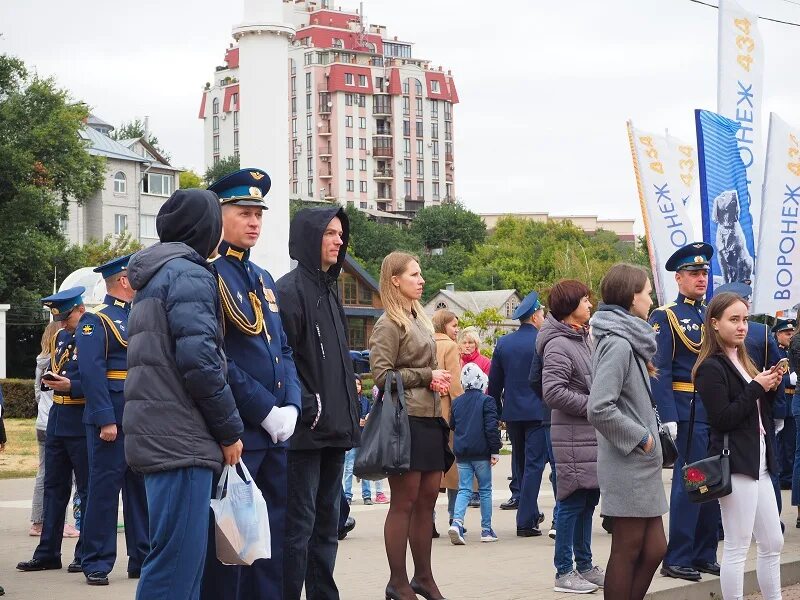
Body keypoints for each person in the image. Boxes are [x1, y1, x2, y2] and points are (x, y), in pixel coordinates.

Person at [123, 188, 244, 600]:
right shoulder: (189, 274)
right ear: (206, 229)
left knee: (178, 567)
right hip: (181, 440)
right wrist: (229, 431)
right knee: (175, 570)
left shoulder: (157, 274)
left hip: (163, 437)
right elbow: (201, 363)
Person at [199, 169, 301, 600]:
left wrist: (291, 406)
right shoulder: (210, 274)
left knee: (272, 542)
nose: (254, 221)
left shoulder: (261, 276)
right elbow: (218, 359)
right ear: (219, 214)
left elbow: (284, 351)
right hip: (239, 432)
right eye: (244, 212)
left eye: (259, 213)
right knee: (232, 551)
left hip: (275, 434)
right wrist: (264, 409)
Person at [276, 206, 361, 600]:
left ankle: (324, 594)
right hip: (305, 433)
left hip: (336, 430)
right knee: (299, 525)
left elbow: (335, 358)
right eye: (330, 233)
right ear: (310, 238)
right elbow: (283, 357)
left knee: (328, 523)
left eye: (341, 234)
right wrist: (308, 405)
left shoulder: (331, 289)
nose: (338, 240)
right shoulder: (288, 291)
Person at [369, 251, 453, 600]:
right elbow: (381, 375)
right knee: (403, 503)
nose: (421, 280)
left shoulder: (418, 317)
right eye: (414, 275)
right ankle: (398, 582)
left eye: (421, 274)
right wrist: (426, 376)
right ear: (395, 281)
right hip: (405, 422)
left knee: (427, 501)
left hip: (430, 418)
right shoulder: (388, 322)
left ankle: (424, 578)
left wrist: (434, 381)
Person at [693, 292, 784, 600]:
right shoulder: (710, 367)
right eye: (734, 320)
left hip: (759, 459)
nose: (742, 326)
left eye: (745, 319)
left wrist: (770, 386)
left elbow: (756, 409)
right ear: (714, 323)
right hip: (735, 462)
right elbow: (723, 418)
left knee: (773, 542)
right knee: (737, 545)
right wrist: (757, 386)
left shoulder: (745, 359)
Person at [587, 264, 668, 600]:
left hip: (640, 464)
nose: (650, 299)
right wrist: (642, 438)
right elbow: (598, 407)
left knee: (655, 548)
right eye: (647, 292)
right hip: (629, 461)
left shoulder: (627, 339)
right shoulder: (619, 343)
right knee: (628, 549)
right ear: (633, 297)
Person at [75, 255, 148, 586]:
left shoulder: (138, 316)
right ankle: (96, 561)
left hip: (138, 418)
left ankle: (142, 556)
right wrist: (106, 419)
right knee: (104, 491)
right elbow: (91, 373)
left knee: (140, 492)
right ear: (123, 281)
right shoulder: (96, 320)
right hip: (112, 419)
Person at [649, 242, 720, 582]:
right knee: (690, 484)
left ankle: (705, 553)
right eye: (694, 273)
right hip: (686, 409)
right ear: (679, 279)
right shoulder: (666, 316)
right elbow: (659, 369)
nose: (701, 278)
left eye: (704, 272)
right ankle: (677, 556)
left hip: (713, 408)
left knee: (713, 483)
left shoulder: (710, 315)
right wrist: (668, 417)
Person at [536, 279, 604, 594]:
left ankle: (585, 565)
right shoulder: (559, 343)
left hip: (588, 435)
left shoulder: (580, 337)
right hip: (573, 436)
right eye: (585, 301)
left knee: (588, 499)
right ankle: (564, 572)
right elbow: (553, 392)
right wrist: (595, 406)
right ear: (570, 308)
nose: (590, 305)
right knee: (572, 501)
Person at [17, 287, 89, 575]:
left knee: (85, 490)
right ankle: (47, 552)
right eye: (57, 318)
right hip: (58, 419)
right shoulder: (61, 336)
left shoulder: (92, 334)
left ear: (80, 310)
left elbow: (99, 378)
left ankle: (85, 553)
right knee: (53, 489)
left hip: (82, 420)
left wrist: (73, 386)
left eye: (65, 317)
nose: (60, 323)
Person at [488, 291, 551, 538]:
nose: (544, 318)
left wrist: (494, 414)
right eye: (543, 314)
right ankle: (525, 521)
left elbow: (494, 384)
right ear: (535, 316)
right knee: (535, 465)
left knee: (522, 464)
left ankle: (531, 512)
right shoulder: (543, 341)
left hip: (513, 413)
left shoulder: (504, 343)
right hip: (539, 411)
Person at [31, 322, 79, 538]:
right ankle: (65, 523)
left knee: (46, 476)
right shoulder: (60, 361)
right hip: (59, 418)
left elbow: (38, 394)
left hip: (43, 421)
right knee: (66, 478)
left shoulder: (41, 362)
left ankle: (38, 521)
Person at [448, 363, 502, 545]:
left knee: (464, 488)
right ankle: (486, 530)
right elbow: (491, 428)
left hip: (462, 453)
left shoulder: (457, 402)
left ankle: (456, 522)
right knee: (485, 489)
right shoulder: (487, 401)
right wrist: (495, 450)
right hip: (481, 453)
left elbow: (452, 425)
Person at [432, 309, 464, 528]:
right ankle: (454, 517)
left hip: (428, 410)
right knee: (453, 468)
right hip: (447, 411)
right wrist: (461, 411)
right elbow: (454, 384)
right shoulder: (450, 346)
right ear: (444, 326)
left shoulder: (426, 341)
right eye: (454, 325)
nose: (457, 330)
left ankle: (428, 519)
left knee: (430, 469)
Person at [342, 375, 388, 505]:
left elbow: (370, 414)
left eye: (358, 384)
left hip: (364, 437)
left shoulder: (366, 401)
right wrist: (357, 421)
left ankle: (366, 495)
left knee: (364, 465)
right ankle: (347, 495)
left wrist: (367, 418)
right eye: (354, 384)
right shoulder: (347, 401)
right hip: (352, 437)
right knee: (349, 467)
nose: (357, 386)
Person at [772, 318, 797, 493]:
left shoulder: (793, 350)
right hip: (782, 399)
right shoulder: (775, 352)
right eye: (787, 333)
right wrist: (789, 380)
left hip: (793, 399)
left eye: (792, 333)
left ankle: (788, 476)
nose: (790, 336)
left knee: (791, 442)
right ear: (778, 334)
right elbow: (772, 374)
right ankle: (783, 476)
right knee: (781, 445)